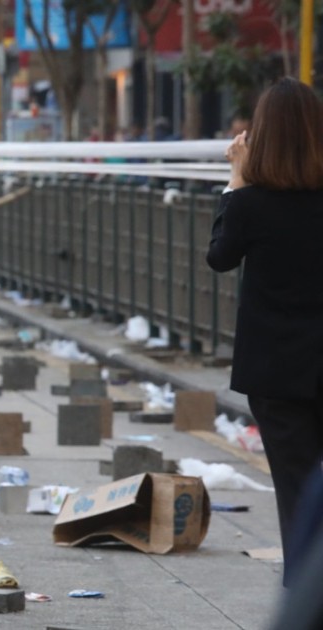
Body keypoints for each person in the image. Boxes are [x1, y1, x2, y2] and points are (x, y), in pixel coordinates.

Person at [206, 77, 323, 587]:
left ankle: (304, 593)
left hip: (276, 373)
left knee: (296, 487)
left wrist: (235, 178)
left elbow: (220, 256)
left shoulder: (251, 203)